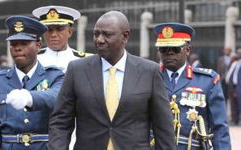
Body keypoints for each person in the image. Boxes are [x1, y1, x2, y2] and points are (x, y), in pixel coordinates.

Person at [49, 11, 175, 150]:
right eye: (96, 34)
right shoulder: (77, 70)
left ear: (125, 37)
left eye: (107, 34)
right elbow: (61, 122)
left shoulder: (149, 71)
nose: (99, 40)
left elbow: (163, 127)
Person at [0, 16, 64, 150]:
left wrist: (29, 98)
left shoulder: (54, 76)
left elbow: (56, 97)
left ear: (38, 46)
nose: (17, 48)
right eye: (13, 44)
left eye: (24, 43)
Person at [154, 22, 231, 150]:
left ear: (188, 50)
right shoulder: (149, 77)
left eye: (175, 49)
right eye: (164, 49)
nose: (169, 53)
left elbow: (219, 128)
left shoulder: (207, 81)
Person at [32, 5, 92, 73]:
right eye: (49, 30)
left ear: (69, 32)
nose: (53, 35)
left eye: (59, 29)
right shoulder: (32, 59)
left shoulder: (85, 60)